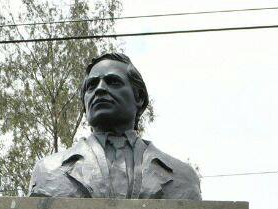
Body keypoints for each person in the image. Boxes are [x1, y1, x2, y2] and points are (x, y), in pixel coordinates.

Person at [29, 51, 201, 200]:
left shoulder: (183, 177)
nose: (99, 89)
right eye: (91, 85)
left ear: (139, 97)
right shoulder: (48, 171)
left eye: (113, 82)